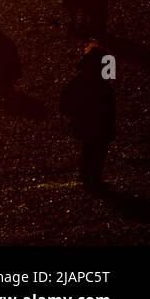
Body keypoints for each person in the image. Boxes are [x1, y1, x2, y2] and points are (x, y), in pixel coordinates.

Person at [59, 44, 114, 190]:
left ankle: (85, 177)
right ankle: (94, 178)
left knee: (88, 148)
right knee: (98, 151)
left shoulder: (80, 79)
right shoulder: (102, 82)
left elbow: (65, 101)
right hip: (99, 119)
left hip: (85, 120)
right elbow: (110, 82)